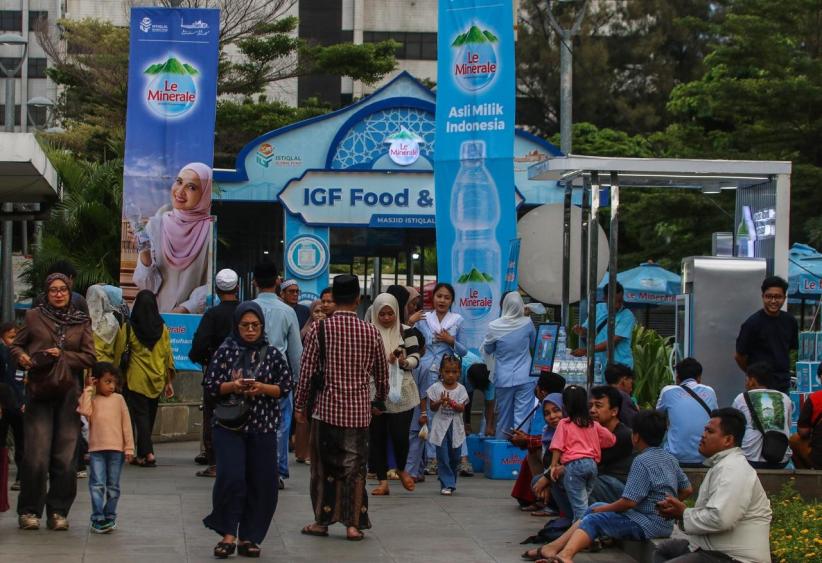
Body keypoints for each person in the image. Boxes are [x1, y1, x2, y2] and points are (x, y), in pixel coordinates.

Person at [525, 410, 692, 563]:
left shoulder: (641, 461)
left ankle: (565, 556)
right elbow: (687, 489)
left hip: (645, 524)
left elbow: (629, 502)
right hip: (663, 524)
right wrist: (669, 504)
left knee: (595, 518)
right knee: (596, 507)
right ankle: (552, 548)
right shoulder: (670, 458)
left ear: (636, 436)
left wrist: (604, 510)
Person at [295, 274, 388, 541]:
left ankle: (322, 522)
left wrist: (300, 405)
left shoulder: (319, 330)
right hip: (359, 413)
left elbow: (307, 372)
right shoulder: (371, 331)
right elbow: (381, 374)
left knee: (323, 470)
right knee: (355, 470)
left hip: (325, 411)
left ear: (334, 299)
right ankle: (353, 524)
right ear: (358, 300)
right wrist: (379, 399)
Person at [201, 301, 292, 558]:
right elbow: (211, 385)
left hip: (262, 425)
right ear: (237, 325)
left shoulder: (272, 354)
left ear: (262, 326)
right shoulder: (225, 350)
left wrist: (262, 387)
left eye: (255, 325)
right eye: (245, 325)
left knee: (263, 482)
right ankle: (228, 534)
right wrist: (235, 385)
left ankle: (250, 536)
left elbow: (284, 387)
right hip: (229, 425)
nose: (250, 330)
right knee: (231, 477)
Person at [12, 273, 96, 531]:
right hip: (38, 392)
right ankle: (29, 511)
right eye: (53, 290)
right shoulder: (34, 316)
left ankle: (58, 510)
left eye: (63, 290)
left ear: (70, 293)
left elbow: (90, 357)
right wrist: (23, 357)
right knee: (36, 455)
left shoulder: (81, 321)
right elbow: (16, 345)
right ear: (46, 293)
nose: (58, 294)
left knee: (65, 456)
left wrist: (63, 356)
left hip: (68, 394)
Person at [655, 408, 772, 563]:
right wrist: (679, 514)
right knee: (665, 550)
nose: (703, 435)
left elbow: (720, 518)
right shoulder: (721, 465)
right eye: (704, 430)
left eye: (710, 431)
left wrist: (683, 513)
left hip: (734, 558)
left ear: (728, 440)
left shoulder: (733, 468)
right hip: (712, 550)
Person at [132, 163, 213, 314]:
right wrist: (145, 254)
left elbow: (212, 282)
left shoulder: (209, 231)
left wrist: (188, 307)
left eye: (191, 187)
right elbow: (147, 287)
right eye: (179, 182)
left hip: (189, 324)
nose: (180, 191)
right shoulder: (155, 226)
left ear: (205, 193)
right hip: (153, 321)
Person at [253, 263, 302, 490]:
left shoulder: (247, 308)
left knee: (253, 422)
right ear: (277, 283)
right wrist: (298, 382)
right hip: (279, 376)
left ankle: (254, 468)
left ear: (254, 282)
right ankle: (275, 471)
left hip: (251, 375)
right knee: (281, 425)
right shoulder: (288, 311)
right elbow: (296, 353)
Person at [189, 268, 241, 478]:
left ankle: (214, 464)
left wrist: (202, 359)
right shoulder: (245, 311)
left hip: (216, 374)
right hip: (243, 372)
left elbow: (200, 344)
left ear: (217, 290)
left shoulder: (212, 314)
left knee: (212, 417)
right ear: (237, 288)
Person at [114, 290, 175, 468]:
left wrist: (118, 375)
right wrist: (168, 381)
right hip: (156, 377)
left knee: (140, 416)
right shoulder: (162, 328)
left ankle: (147, 453)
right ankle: (143, 452)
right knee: (149, 416)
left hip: (136, 378)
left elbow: (119, 352)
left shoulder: (130, 327)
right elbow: (167, 354)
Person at [369, 293, 421, 495]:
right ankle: (382, 481)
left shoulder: (407, 332)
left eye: (390, 313)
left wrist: (403, 362)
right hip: (375, 391)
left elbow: (416, 356)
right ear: (375, 313)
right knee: (378, 437)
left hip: (402, 390)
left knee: (400, 435)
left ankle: (401, 468)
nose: (387, 318)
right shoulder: (369, 332)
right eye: (382, 314)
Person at [415, 282, 468, 476]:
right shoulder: (423, 320)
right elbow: (416, 344)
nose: (442, 300)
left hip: (448, 373)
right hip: (427, 370)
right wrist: (409, 320)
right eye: (439, 296)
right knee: (429, 415)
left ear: (452, 300)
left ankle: (459, 458)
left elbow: (464, 351)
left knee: (453, 415)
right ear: (433, 298)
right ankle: (432, 458)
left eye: (446, 297)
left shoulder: (458, 320)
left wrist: (450, 341)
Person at [77, 362, 134, 533]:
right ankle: (97, 517)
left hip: (116, 450)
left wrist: (129, 447)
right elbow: (84, 411)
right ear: (97, 381)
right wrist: (88, 389)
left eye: (114, 382)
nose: (111, 386)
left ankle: (110, 516)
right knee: (97, 484)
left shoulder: (119, 399)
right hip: (96, 451)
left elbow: (127, 424)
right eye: (107, 381)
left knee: (113, 486)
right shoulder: (92, 400)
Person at [546, 385, 616, 522]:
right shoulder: (592, 424)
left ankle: (580, 537)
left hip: (574, 467)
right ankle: (591, 530)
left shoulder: (564, 424)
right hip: (591, 465)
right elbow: (611, 439)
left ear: (565, 406)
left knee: (579, 509)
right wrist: (593, 443)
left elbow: (557, 446)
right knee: (584, 503)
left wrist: (553, 466)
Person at [482, 291, 537, 439]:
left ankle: (502, 455)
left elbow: (488, 349)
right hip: (526, 377)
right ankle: (520, 456)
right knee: (522, 417)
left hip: (503, 378)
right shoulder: (527, 323)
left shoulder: (494, 326)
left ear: (504, 305)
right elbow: (534, 343)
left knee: (503, 418)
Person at [734, 275, 798, 393]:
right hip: (758, 384)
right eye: (769, 296)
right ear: (763, 297)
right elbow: (739, 356)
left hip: (782, 383)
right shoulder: (752, 323)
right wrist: (753, 374)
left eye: (778, 297)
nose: (773, 301)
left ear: (784, 297)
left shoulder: (790, 321)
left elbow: (791, 349)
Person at [656, 358, 718, 466]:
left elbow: (656, 417)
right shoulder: (709, 391)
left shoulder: (668, 391)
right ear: (699, 377)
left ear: (677, 378)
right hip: (704, 456)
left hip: (674, 457)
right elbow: (715, 417)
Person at [731, 362, 792, 468]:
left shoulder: (741, 398)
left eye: (747, 379)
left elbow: (732, 428)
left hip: (749, 459)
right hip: (780, 459)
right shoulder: (784, 398)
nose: (746, 383)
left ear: (752, 381)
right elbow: (788, 426)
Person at [427, 354, 470, 496]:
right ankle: (448, 484)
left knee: (455, 457)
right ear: (441, 372)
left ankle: (449, 479)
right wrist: (440, 401)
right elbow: (432, 407)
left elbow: (461, 408)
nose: (450, 375)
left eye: (454, 372)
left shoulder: (461, 389)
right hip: (441, 428)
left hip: (455, 427)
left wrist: (451, 403)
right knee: (443, 456)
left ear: (459, 373)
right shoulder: (435, 387)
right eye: (447, 371)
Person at [571, 282, 636, 372]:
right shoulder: (598, 308)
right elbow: (588, 331)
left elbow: (613, 341)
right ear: (605, 299)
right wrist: (581, 330)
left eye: (620, 301)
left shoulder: (627, 315)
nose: (618, 305)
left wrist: (586, 350)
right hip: (599, 363)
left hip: (619, 365)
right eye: (614, 302)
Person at [515, 392, 564, 512]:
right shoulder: (548, 431)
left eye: (556, 410)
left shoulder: (571, 430)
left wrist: (547, 479)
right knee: (536, 478)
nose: (552, 416)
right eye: (547, 414)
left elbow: (568, 464)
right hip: (554, 474)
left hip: (568, 475)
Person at [0, 321, 23, 491]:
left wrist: (25, 401)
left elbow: (25, 381)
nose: (13, 341)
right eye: (10, 337)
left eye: (16, 337)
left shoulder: (22, 356)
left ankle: (22, 476)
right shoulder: (2, 353)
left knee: (22, 441)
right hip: (4, 403)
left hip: (19, 405)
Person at [793, 363, 822, 468]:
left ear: (820, 377)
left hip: (819, 459)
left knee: (794, 440)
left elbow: (803, 432)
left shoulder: (815, 399)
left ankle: (806, 476)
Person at [85, 286, 121, 362]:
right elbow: (119, 348)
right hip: (108, 366)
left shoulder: (84, 321)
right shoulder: (113, 320)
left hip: (90, 366)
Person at [603, 363, 638, 427]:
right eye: (631, 383)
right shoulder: (623, 397)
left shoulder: (599, 393)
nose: (631, 389)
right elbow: (632, 423)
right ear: (624, 381)